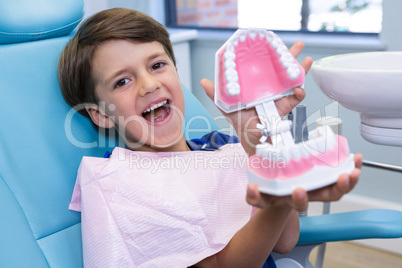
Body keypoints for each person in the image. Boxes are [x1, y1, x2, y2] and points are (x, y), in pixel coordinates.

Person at [58, 8, 362, 268]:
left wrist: (260, 145)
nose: (149, 84)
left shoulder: (222, 146)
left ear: (176, 73)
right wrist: (277, 199)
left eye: (157, 65)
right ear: (102, 115)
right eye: (122, 81)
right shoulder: (122, 183)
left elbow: (285, 241)